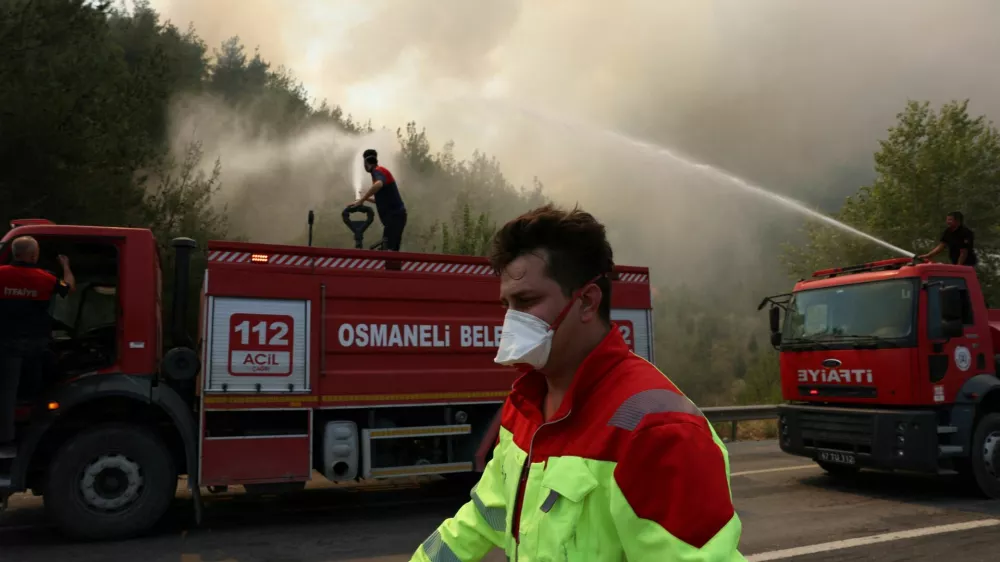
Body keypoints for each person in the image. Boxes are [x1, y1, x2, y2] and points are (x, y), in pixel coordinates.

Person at [409, 205, 744, 562]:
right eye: (506, 304)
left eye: (526, 301)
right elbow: (484, 516)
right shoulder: (524, 403)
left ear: (586, 301)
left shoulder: (658, 429)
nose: (510, 321)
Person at [0, 236, 75, 456]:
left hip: (6, 345)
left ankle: (6, 441)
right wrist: (66, 266)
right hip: (36, 346)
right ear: (34, 255)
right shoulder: (46, 278)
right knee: (40, 391)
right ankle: (36, 435)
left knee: (7, 393)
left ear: (15, 253)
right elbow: (69, 288)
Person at [350, 148, 408, 251]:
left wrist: (361, 200)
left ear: (366, 163)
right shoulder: (380, 172)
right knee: (388, 247)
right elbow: (382, 200)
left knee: (389, 249)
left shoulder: (378, 171)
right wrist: (366, 198)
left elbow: (379, 184)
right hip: (395, 218)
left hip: (395, 217)